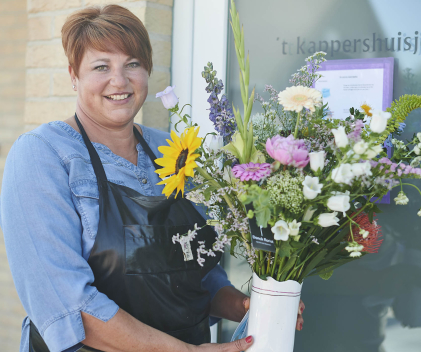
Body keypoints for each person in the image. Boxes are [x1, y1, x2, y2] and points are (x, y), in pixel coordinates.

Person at [0, 5, 304, 352]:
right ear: (73, 75)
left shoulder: (172, 149)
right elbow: (67, 306)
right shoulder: (42, 155)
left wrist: (246, 306)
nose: (119, 80)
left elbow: (193, 268)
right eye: (101, 67)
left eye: (132, 64)